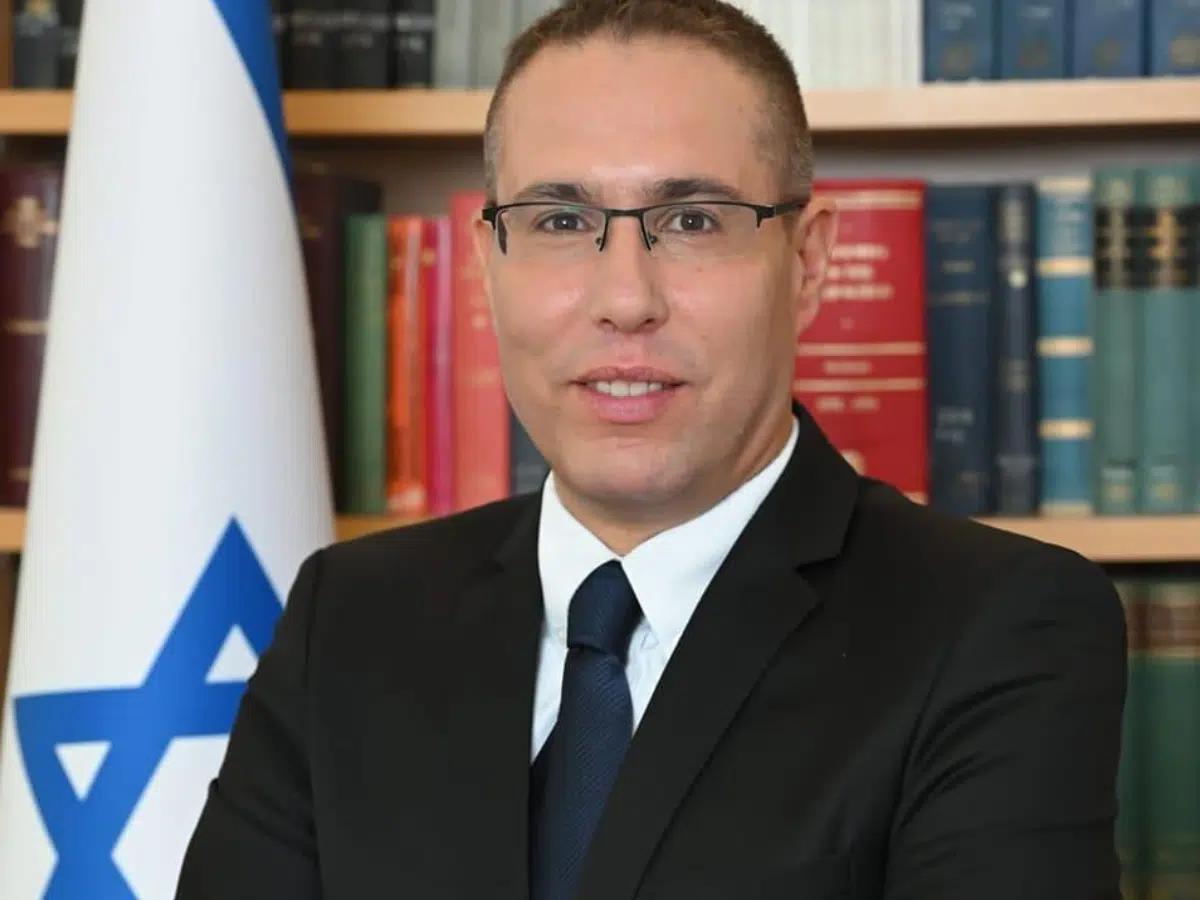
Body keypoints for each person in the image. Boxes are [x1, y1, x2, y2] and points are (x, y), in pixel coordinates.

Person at [175, 1, 1128, 898]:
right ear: (486, 264)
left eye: (693, 221)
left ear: (808, 263)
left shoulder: (995, 625)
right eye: (560, 221)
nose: (626, 299)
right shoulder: (349, 618)